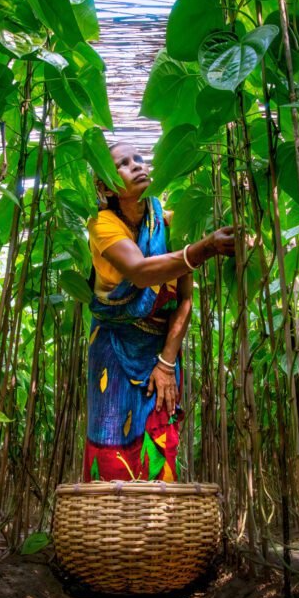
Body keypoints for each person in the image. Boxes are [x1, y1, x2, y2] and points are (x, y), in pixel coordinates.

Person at [83, 142, 235, 482]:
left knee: (159, 436)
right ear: (106, 187)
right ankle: (109, 529)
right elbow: (140, 271)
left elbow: (184, 300)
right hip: (113, 349)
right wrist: (204, 248)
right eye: (124, 163)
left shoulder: (167, 225)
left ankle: (156, 527)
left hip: (160, 352)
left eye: (139, 158)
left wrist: (167, 363)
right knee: (110, 435)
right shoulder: (101, 224)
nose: (137, 165)